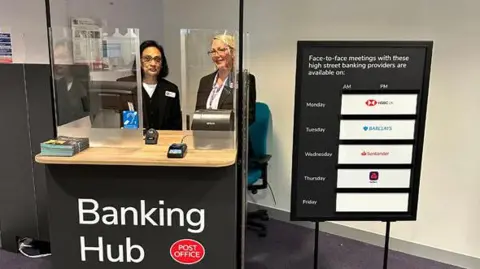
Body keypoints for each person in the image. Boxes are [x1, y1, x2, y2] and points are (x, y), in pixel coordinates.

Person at [118, 40, 182, 130]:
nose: (153, 64)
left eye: (157, 59)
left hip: (163, 141)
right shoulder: (124, 86)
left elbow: (176, 125)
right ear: (139, 62)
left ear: (162, 64)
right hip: (134, 140)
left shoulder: (171, 89)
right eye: (147, 59)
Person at [195, 34, 257, 126]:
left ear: (232, 53)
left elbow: (248, 117)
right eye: (213, 51)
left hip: (232, 138)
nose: (216, 55)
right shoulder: (205, 81)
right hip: (205, 137)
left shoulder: (244, 79)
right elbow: (198, 115)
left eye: (221, 50)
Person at [52, 40, 91, 126]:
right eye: (56, 57)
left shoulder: (81, 88)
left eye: (63, 57)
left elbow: (86, 117)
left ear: (72, 60)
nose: (58, 61)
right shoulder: (50, 86)